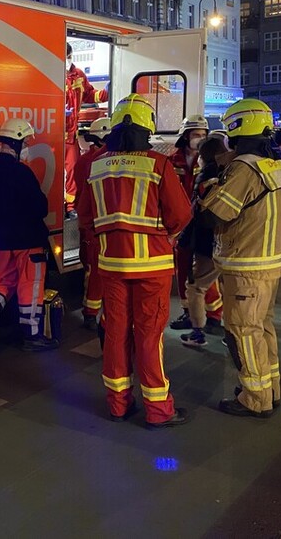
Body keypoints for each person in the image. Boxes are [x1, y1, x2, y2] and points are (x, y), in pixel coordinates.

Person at [78, 94, 192, 428]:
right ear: (147, 129)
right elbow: (181, 215)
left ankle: (117, 404)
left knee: (115, 333)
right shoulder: (158, 164)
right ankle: (158, 410)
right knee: (148, 335)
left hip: (111, 264)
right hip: (152, 266)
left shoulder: (97, 165)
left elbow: (85, 217)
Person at [197, 99, 281, 418]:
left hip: (245, 266)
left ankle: (254, 398)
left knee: (242, 332)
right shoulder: (270, 164)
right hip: (269, 263)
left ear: (238, 127)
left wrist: (209, 188)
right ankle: (270, 389)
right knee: (262, 328)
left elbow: (214, 214)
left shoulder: (243, 167)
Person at [0, 118, 58, 353]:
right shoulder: (21, 172)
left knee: (3, 285)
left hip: (2, 241)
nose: (27, 145)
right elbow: (40, 207)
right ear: (16, 142)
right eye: (26, 141)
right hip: (28, 241)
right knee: (32, 287)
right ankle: (33, 336)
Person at [168, 114, 223, 334]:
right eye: (195, 135)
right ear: (185, 136)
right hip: (181, 223)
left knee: (204, 270)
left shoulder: (211, 161)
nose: (199, 139)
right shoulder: (173, 161)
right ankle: (189, 312)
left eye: (203, 135)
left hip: (203, 225)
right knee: (182, 269)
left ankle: (213, 314)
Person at [178, 134, 229, 349]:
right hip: (231, 243)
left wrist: (183, 239)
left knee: (196, 287)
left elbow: (195, 214)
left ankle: (198, 333)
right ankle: (231, 333)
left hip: (207, 243)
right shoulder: (232, 174)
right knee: (231, 290)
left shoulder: (205, 178)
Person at [75, 117, 111, 334]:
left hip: (89, 222)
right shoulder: (100, 159)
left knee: (92, 268)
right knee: (96, 270)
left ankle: (90, 311)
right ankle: (91, 312)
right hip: (98, 222)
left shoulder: (85, 160)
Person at [65, 43, 95, 217]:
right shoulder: (52, 73)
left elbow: (90, 94)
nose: (68, 59)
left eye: (69, 55)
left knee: (73, 172)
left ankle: (71, 207)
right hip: (52, 135)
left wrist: (106, 93)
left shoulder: (78, 75)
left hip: (70, 135)